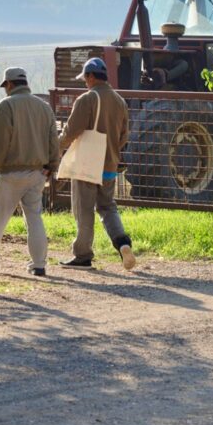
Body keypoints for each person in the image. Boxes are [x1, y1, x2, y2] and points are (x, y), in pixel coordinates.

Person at [0, 67, 59, 277]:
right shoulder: (44, 107)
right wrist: (52, 166)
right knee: (34, 217)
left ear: (9, 84)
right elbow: (53, 140)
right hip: (38, 173)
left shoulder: (7, 105)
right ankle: (38, 264)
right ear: (25, 83)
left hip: (12, 173)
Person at [58, 57, 136, 271]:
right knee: (107, 207)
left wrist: (56, 145)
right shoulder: (120, 101)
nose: (84, 81)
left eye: (85, 77)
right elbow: (123, 136)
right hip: (110, 164)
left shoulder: (87, 99)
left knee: (83, 210)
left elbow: (71, 131)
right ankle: (123, 243)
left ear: (92, 76)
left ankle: (83, 255)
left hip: (86, 165)